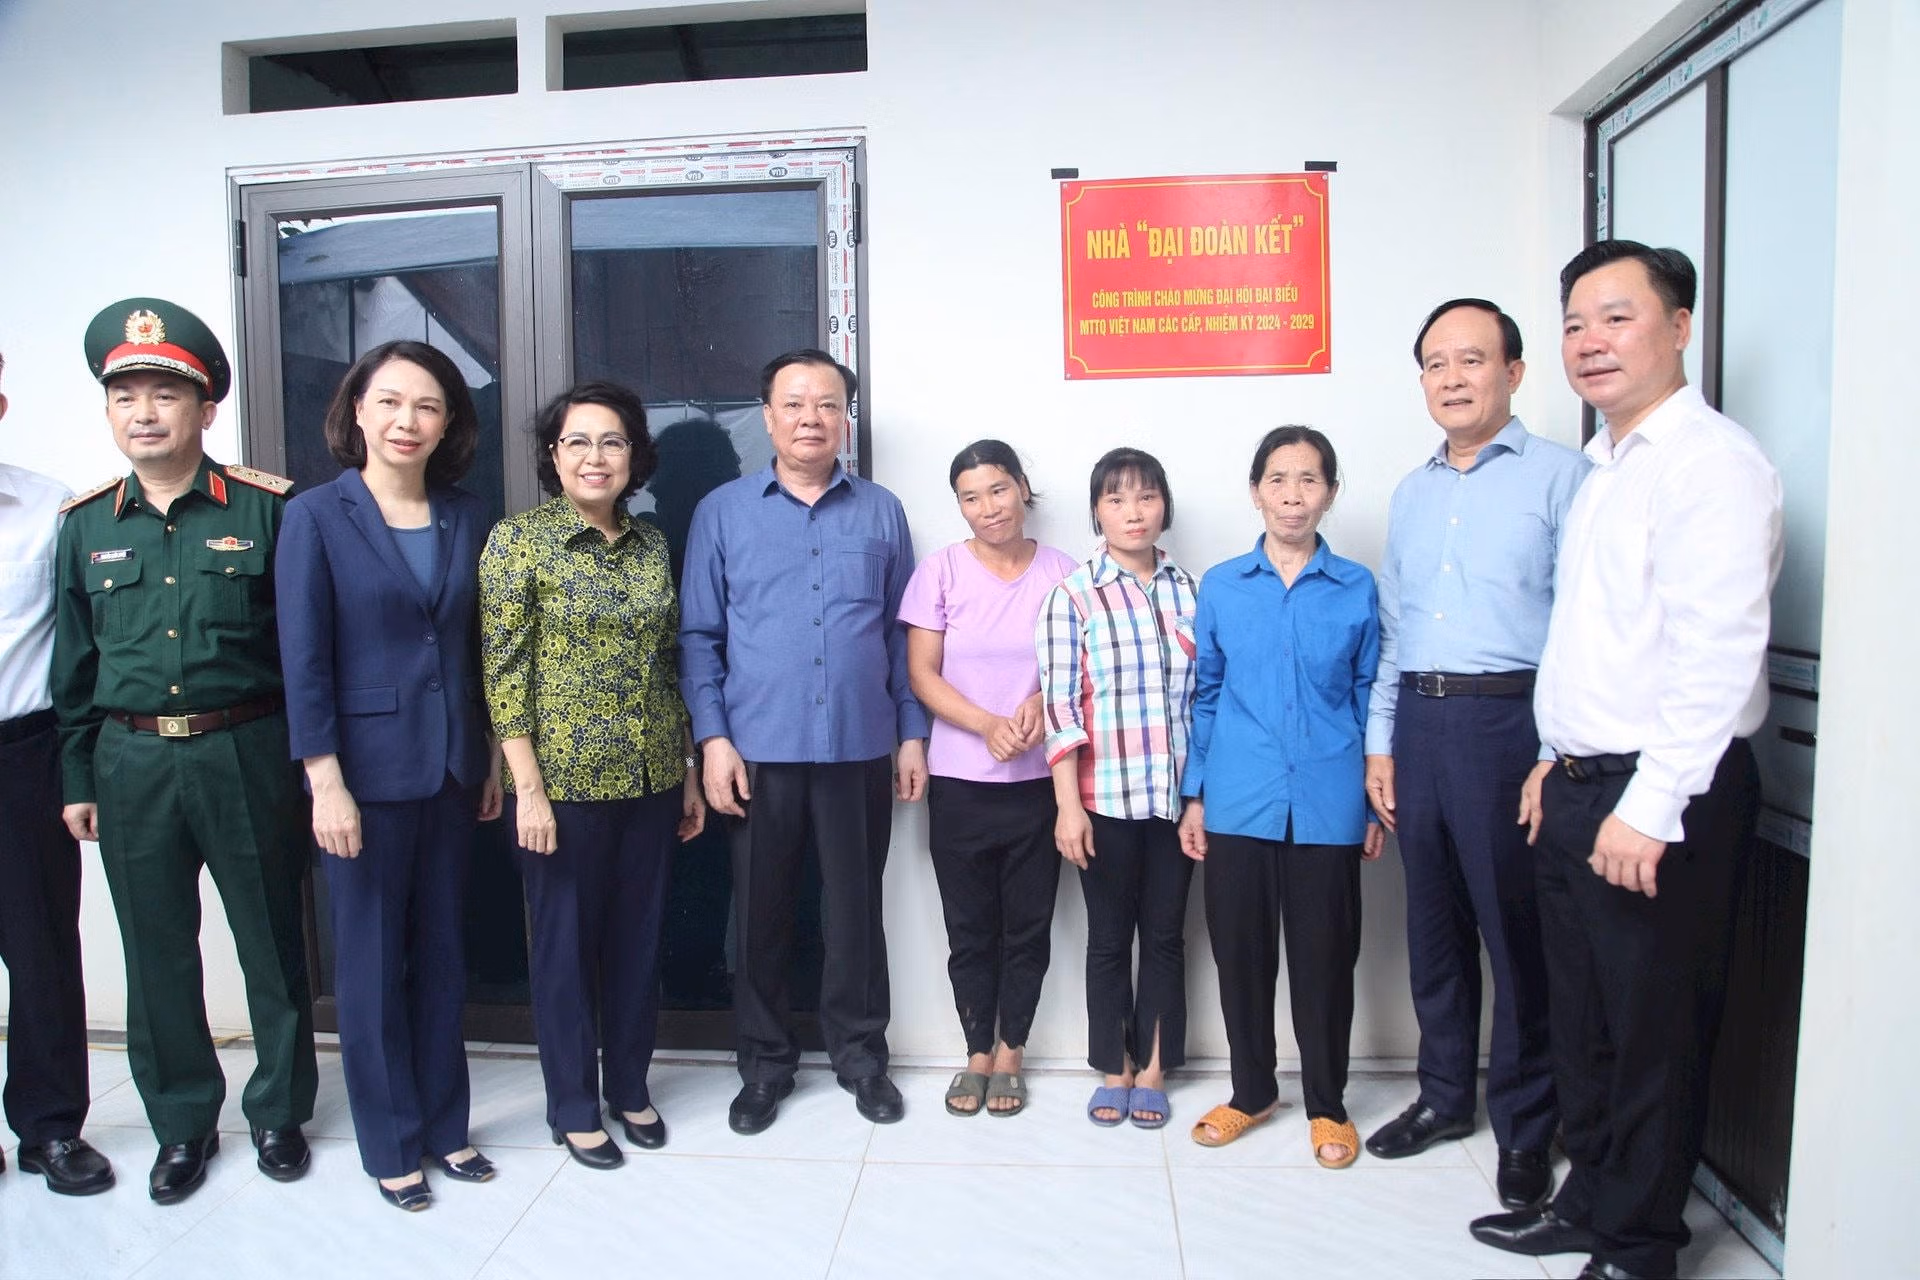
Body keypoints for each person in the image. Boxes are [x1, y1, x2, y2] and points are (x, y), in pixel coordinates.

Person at [1469, 241, 1782, 1280]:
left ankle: (1641, 1245)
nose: (1590, 341)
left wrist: (1649, 805)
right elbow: (1598, 639)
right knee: (1588, 1021)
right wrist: (1553, 757)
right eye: (1575, 323)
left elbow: (1716, 654)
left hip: (1662, 790)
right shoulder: (1607, 463)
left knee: (1654, 1030)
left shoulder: (1710, 463)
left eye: (1616, 317)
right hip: (1580, 781)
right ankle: (1590, 1203)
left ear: (1679, 327)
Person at [51, 298, 317, 1204]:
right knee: (156, 950)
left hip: (244, 748)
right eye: (125, 397)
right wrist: (78, 776)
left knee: (270, 941)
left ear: (206, 408)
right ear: (108, 411)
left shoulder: (269, 509)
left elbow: (303, 653)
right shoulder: (86, 526)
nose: (145, 413)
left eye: (165, 395)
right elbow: (74, 665)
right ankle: (181, 1122)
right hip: (130, 763)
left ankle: (279, 1110)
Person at [1362, 300, 1589, 1209]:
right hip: (1420, 724)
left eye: (1471, 360)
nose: (1452, 378)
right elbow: (1394, 630)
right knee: (1434, 926)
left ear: (1514, 372)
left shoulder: (1565, 478)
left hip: (1510, 727)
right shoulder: (1411, 493)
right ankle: (1445, 1097)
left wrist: (1554, 749)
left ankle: (1528, 1126)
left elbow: (1582, 628)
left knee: (1516, 933)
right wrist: (1381, 743)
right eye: (1435, 364)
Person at [275, 340, 501, 1210]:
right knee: (369, 968)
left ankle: (446, 1128)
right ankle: (391, 1143)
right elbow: (304, 660)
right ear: (358, 412)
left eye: (429, 406)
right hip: (362, 779)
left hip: (450, 768)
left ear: (448, 425)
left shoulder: (466, 516)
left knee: (443, 957)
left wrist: (485, 754)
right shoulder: (316, 516)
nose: (409, 420)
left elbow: (473, 650)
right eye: (391, 402)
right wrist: (323, 779)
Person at [679, 349, 928, 1135]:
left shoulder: (882, 511)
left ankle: (861, 1058)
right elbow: (699, 636)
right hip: (758, 749)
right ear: (768, 417)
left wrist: (912, 734)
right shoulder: (722, 512)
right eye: (794, 404)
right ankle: (765, 1065)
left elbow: (901, 636)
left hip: (860, 745)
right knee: (761, 916)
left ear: (844, 419)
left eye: (826, 404)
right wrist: (713, 740)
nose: (810, 418)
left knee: (855, 913)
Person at [481, 382, 706, 1168]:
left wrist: (685, 768)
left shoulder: (652, 545)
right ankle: (574, 1105)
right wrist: (528, 790)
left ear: (633, 456)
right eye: (577, 441)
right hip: (562, 788)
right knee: (565, 952)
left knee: (638, 944)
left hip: (650, 777)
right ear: (554, 454)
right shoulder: (518, 542)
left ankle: (630, 1087)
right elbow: (503, 673)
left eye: (612, 442)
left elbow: (668, 663)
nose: (595, 457)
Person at [1178, 427, 1383, 1166]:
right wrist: (1196, 796)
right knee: (1241, 957)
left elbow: (1370, 695)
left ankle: (1328, 1106)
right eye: (1277, 479)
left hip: (1329, 799)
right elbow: (1205, 695)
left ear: (1331, 492)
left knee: (1325, 960)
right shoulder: (1224, 585)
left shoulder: (1357, 587)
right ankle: (1252, 1092)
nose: (1292, 496)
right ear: (1256, 491)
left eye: (1308, 480)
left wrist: (1371, 799)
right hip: (1239, 797)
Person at [900, 440, 1076, 1118]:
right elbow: (922, 674)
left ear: (1022, 488)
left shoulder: (1063, 572)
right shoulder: (940, 571)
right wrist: (985, 724)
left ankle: (1012, 1053)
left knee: (1028, 927)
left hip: (1039, 783)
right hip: (960, 784)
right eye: (970, 497)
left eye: (998, 490)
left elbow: (1078, 666)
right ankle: (976, 1052)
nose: (988, 507)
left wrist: (1038, 703)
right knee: (969, 927)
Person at [1037, 447, 1197, 1130]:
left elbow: (1205, 700)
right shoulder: (1073, 595)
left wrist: (1199, 798)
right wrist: (1067, 808)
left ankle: (1153, 1068)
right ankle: (1114, 1067)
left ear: (1164, 506)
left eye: (1147, 496)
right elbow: (1059, 709)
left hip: (1174, 802)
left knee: (1165, 937)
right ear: (1097, 512)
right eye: (1116, 498)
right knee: (1108, 940)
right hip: (1102, 801)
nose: (1134, 512)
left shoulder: (1193, 591)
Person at [0, 350, 114, 1195]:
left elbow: (82, 646)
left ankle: (49, 1129)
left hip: (22, 753)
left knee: (40, 948)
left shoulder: (51, 509)